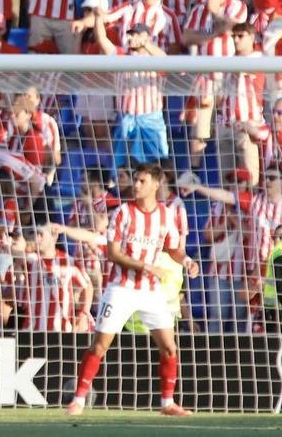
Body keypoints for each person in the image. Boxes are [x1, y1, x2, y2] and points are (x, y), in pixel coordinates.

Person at [65, 163, 196, 417]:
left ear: (156, 184)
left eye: (142, 181)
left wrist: (188, 261)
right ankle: (79, 399)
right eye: (135, 180)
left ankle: (167, 403)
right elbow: (113, 253)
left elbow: (172, 248)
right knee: (100, 345)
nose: (136, 185)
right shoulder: (123, 213)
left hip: (150, 290)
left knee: (169, 348)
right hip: (121, 288)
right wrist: (145, 266)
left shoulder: (166, 216)